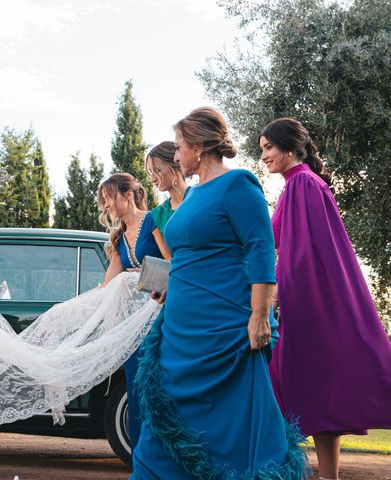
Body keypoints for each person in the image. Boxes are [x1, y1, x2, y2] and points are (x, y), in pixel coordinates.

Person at [131, 107, 308, 479]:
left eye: (179, 147)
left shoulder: (238, 184)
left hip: (223, 327)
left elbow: (261, 248)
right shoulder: (193, 195)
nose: (176, 155)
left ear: (198, 146)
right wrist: (169, 286)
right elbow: (184, 255)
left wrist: (259, 315)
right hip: (180, 327)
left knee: (232, 430)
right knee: (161, 422)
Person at [260, 117, 391, 480]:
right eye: (262, 150)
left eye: (269, 148)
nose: (264, 156)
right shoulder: (300, 184)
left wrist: (275, 296)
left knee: (281, 389)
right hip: (315, 305)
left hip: (309, 309)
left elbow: (300, 255)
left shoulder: (302, 184)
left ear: (289, 148)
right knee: (320, 395)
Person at [97, 173, 171, 454]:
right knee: (136, 391)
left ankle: (164, 456)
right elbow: (108, 284)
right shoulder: (118, 239)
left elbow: (172, 262)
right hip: (132, 328)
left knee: (157, 388)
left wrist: (143, 275)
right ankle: (143, 460)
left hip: (159, 318)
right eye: (103, 201)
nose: (106, 206)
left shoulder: (152, 220)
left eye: (109, 199)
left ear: (127, 195)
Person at [146, 141, 192, 234]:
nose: (152, 179)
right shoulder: (157, 214)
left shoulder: (200, 197)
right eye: (151, 173)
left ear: (176, 164)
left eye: (158, 170)